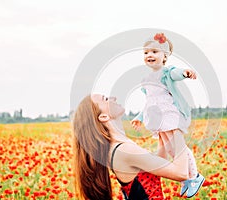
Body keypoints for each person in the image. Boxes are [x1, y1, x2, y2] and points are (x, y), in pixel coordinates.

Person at [72, 94, 191, 200]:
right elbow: (181, 173)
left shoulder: (118, 148)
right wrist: (175, 125)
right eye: (106, 99)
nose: (114, 97)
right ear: (103, 117)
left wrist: (162, 127)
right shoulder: (125, 150)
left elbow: (157, 168)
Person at [131, 32, 205, 198]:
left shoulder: (166, 72)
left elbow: (175, 73)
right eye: (146, 52)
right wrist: (139, 117)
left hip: (171, 115)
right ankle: (185, 178)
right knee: (170, 149)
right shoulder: (146, 79)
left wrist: (185, 73)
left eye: (155, 52)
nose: (150, 55)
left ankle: (194, 177)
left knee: (179, 148)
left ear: (165, 56)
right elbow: (149, 103)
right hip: (158, 119)